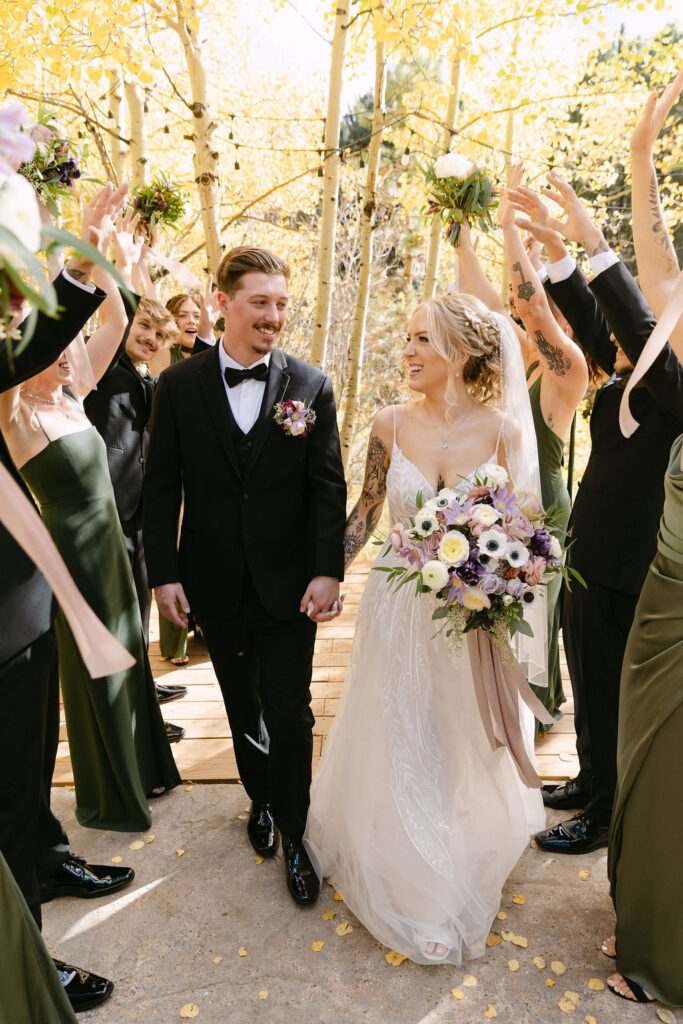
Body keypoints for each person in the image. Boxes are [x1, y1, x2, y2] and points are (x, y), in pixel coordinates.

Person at [304, 292, 547, 965]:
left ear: (463, 354)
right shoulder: (387, 422)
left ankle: (447, 856)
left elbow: (524, 530)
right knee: (396, 725)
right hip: (395, 602)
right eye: (407, 338)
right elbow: (368, 508)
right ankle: (407, 870)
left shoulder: (505, 431)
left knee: (454, 732)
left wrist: (495, 584)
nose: (406, 351)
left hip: (468, 613)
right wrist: (330, 572)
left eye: (422, 340)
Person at [143, 245, 347, 905]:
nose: (273, 316)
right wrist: (164, 575)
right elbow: (160, 486)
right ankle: (259, 797)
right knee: (243, 707)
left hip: (290, 582)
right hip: (213, 580)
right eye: (260, 302)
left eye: (282, 304)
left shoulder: (310, 387)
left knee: (289, 712)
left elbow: (326, 491)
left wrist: (327, 571)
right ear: (222, 302)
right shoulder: (176, 386)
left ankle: (295, 835)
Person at [509, 172, 683, 855]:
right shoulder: (622, 375)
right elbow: (596, 323)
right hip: (589, 558)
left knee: (614, 692)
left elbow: (638, 329)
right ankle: (588, 778)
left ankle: (609, 815)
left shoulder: (669, 388)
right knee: (585, 674)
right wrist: (557, 253)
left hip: (633, 569)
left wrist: (592, 241)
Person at [0, 198, 181, 835]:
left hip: (110, 546)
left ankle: (146, 769)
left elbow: (118, 315)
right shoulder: (15, 414)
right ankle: (110, 798)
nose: (69, 354)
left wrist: (106, 255)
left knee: (129, 657)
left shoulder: (76, 396)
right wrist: (54, 256)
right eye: (57, 346)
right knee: (94, 673)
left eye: (71, 346)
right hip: (69, 556)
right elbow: (28, 337)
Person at [0, 181, 133, 1013]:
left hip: (19, 608)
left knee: (21, 783)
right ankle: (24, 967)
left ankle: (40, 869)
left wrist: (77, 251)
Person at [602, 68, 683, 1008]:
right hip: (665, 590)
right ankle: (650, 928)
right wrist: (638, 155)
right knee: (650, 761)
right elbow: (651, 259)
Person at [456, 190, 588, 732]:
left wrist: (512, 232)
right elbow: (490, 300)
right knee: (491, 601)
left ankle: (534, 707)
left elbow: (530, 304)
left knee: (532, 606)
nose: (521, 316)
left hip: (541, 506)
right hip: (497, 500)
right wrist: (461, 222)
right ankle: (497, 697)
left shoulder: (568, 373)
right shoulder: (516, 371)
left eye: (538, 312)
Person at [83, 212, 188, 714]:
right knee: (116, 613)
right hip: (106, 506)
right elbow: (120, 310)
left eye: (158, 334)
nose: (149, 337)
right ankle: (126, 704)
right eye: (144, 328)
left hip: (140, 515)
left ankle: (143, 694)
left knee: (139, 610)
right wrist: (125, 261)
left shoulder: (147, 376)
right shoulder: (101, 367)